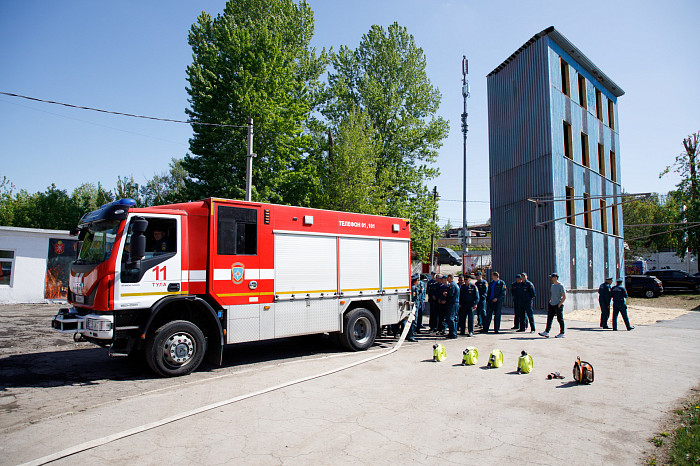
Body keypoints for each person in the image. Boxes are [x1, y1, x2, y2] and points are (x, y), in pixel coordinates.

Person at [540, 273, 566, 338]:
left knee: (560, 319)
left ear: (556, 278)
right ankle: (546, 332)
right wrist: (550, 301)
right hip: (552, 304)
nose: (551, 279)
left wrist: (559, 304)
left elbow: (564, 296)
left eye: (552, 277)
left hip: (558, 305)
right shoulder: (552, 286)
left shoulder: (561, 286)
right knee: (549, 319)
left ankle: (562, 333)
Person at [444, 274, 460, 339]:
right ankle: (453, 332)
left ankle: (453, 333)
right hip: (455, 303)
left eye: (448, 278)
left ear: (450, 278)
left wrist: (446, 294)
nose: (447, 279)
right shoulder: (454, 285)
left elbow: (451, 294)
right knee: (454, 318)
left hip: (453, 303)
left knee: (450, 318)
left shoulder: (452, 285)